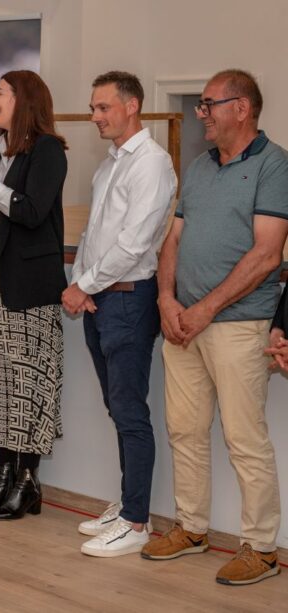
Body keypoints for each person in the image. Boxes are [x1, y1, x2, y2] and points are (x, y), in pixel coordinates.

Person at [141, 69, 287, 586]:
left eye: (209, 104)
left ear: (241, 108)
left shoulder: (274, 165)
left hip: (238, 326)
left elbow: (267, 255)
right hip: (182, 323)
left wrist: (205, 309)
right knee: (184, 430)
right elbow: (173, 240)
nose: (200, 113)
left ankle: (262, 549)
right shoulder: (200, 167)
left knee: (244, 438)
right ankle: (192, 528)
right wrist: (165, 298)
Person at [62, 71, 177, 557]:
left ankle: (135, 522)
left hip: (129, 300)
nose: (95, 116)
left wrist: (83, 285)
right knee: (118, 408)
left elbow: (134, 244)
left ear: (132, 106)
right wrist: (84, 285)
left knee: (130, 412)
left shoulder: (152, 163)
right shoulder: (110, 164)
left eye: (103, 107)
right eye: (93, 107)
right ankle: (129, 504)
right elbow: (94, 234)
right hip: (101, 299)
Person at [0, 70, 68, 520]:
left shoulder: (47, 150)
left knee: (26, 383)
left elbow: (31, 211)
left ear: (24, 100)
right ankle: (2, 478)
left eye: (0, 93)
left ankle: (26, 481)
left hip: (27, 284)